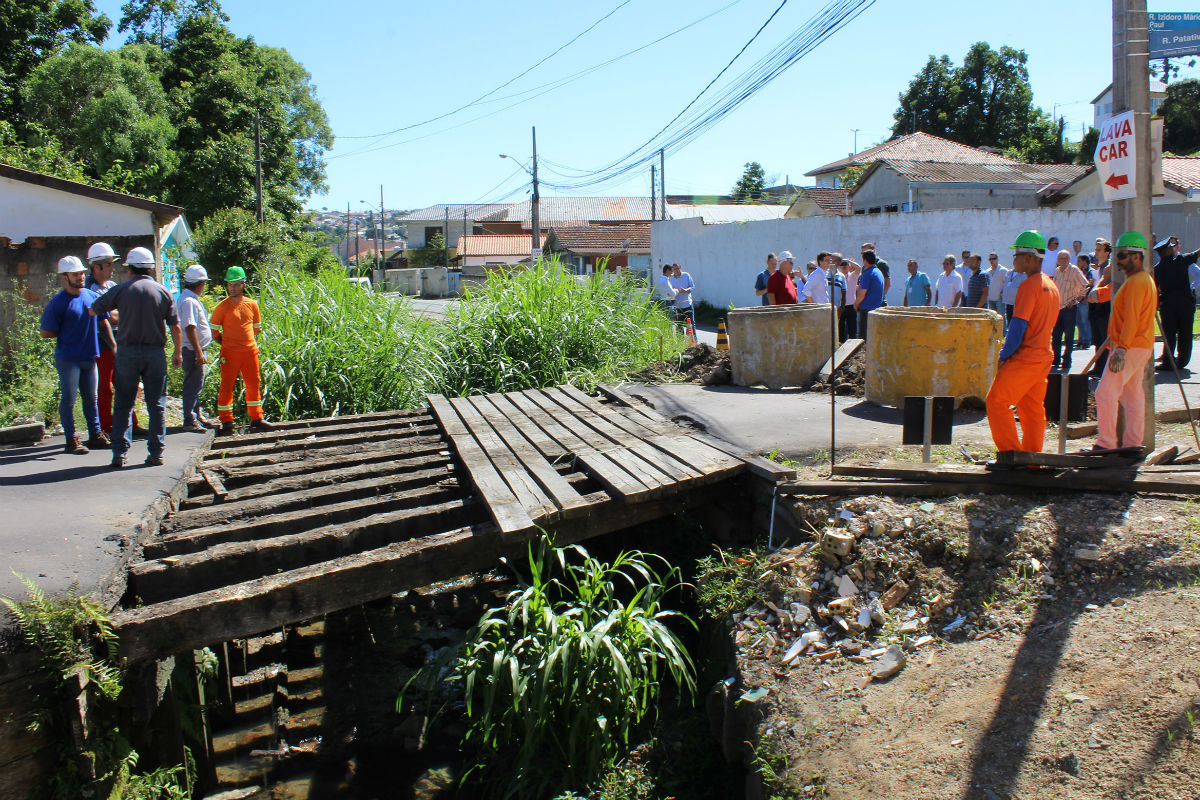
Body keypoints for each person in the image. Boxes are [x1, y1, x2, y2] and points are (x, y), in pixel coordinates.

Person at [88, 246, 182, 468]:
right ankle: (156, 453)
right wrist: (177, 352)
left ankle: (119, 454)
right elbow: (175, 327)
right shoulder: (163, 292)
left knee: (123, 404)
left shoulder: (121, 290)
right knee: (156, 404)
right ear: (150, 269)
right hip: (155, 353)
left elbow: (93, 310)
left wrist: (122, 314)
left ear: (130, 269)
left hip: (127, 353)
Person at [985, 230, 1060, 453]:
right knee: (1032, 410)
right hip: (1043, 357)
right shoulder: (1052, 286)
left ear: (1029, 258)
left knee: (996, 402)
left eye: (1016, 255)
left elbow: (1017, 328)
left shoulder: (1028, 286)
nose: (1014, 260)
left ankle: (1011, 455)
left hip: (1025, 357)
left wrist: (1003, 357)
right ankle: (1032, 459)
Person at [1094, 231, 1158, 451]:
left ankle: (1107, 443)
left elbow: (1131, 318)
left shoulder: (1137, 283)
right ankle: (1132, 444)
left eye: (1122, 256)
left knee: (1105, 393)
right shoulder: (1143, 280)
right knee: (1132, 396)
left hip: (1129, 347)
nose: (1118, 262)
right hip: (1139, 346)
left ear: (1137, 256)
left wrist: (1121, 348)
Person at [40, 256, 108, 454]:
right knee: (69, 399)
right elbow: (46, 332)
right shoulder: (58, 303)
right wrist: (67, 331)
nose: (80, 277)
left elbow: (105, 322)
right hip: (68, 358)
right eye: (75, 274)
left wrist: (114, 347)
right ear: (64, 277)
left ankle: (95, 435)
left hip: (89, 356)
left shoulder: (90, 296)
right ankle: (71, 439)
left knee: (91, 398)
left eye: (81, 273)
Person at [85, 241, 142, 437]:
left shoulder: (112, 286)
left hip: (122, 340)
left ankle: (131, 424)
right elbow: (111, 316)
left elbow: (123, 310)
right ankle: (106, 427)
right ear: (96, 266)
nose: (112, 268)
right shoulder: (90, 290)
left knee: (126, 384)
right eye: (108, 264)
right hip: (103, 344)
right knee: (105, 388)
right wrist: (118, 311)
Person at [211, 266, 274, 435]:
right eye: (229, 285)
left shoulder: (252, 304)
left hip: (249, 352)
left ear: (243, 285)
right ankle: (227, 422)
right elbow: (214, 332)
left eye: (235, 284)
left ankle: (256, 419)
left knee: (254, 384)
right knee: (226, 386)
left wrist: (244, 342)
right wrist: (228, 344)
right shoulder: (222, 307)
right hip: (229, 353)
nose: (232, 288)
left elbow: (256, 328)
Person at [176, 264, 214, 433]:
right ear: (200, 284)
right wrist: (198, 351)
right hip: (192, 350)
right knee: (193, 385)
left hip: (194, 349)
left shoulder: (188, 299)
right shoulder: (189, 301)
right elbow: (190, 327)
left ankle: (196, 415)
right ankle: (190, 419)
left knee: (196, 384)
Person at [1154, 235, 1199, 372]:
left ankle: (1168, 362)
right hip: (1185, 304)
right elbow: (1196, 253)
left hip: (1167, 305)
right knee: (1185, 332)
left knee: (1169, 333)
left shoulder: (1157, 268)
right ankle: (1182, 361)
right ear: (1167, 251)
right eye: (1171, 248)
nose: (1173, 249)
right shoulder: (1181, 260)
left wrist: (1156, 305)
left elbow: (1154, 288)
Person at [1050, 249, 1089, 372]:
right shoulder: (1057, 271)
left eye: (1065, 258)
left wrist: (1077, 299)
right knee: (1056, 335)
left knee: (1069, 336)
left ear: (1069, 259)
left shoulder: (1074, 270)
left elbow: (1085, 285)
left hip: (1069, 307)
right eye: (1060, 258)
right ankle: (1055, 360)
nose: (1063, 261)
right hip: (1058, 307)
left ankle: (1066, 361)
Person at [1086, 238, 1114, 376]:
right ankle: (1098, 366)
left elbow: (1102, 290)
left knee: (1104, 339)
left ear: (1107, 252)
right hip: (1094, 308)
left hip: (1103, 307)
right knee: (1097, 339)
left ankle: (1103, 368)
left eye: (1099, 250)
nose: (1095, 253)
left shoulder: (1109, 269)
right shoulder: (1097, 267)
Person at [854, 250, 885, 339]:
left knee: (863, 339)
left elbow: (862, 294)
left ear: (865, 260)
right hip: (876, 309)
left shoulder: (867, 273)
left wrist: (856, 305)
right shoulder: (878, 272)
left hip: (866, 310)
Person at [1073, 253, 1094, 349]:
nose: (1077, 263)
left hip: (1085, 300)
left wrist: (1086, 298)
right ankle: (1081, 339)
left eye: (1079, 261)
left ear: (1085, 262)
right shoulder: (1079, 272)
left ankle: (1087, 340)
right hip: (1078, 300)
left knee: (1085, 320)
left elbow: (1090, 285)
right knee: (1078, 321)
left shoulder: (1090, 272)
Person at [670, 262, 695, 329]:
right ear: (672, 270)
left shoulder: (686, 275)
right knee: (679, 325)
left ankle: (693, 339)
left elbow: (692, 287)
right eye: (674, 269)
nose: (676, 270)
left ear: (680, 268)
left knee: (691, 324)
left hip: (687, 304)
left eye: (677, 268)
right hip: (677, 305)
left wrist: (686, 290)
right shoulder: (670, 278)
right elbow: (669, 290)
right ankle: (680, 339)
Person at [984, 252, 1008, 325]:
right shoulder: (987, 272)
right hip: (990, 299)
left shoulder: (1003, 270)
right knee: (992, 319)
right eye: (990, 259)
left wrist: (1003, 292)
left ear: (997, 259)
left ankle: (1003, 334)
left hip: (999, 299)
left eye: (993, 259)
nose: (992, 261)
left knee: (1001, 318)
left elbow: (1007, 283)